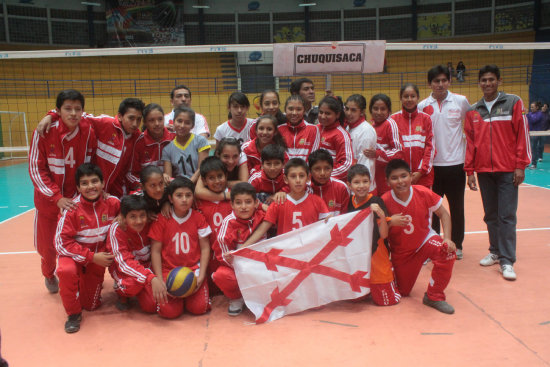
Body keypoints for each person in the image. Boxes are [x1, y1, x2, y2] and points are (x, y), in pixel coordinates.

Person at [464, 64, 531, 281]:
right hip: (484, 171)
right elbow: (470, 143)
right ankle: (495, 251)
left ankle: (507, 260)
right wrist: (470, 170)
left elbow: (522, 134)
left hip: (507, 171)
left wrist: (520, 165)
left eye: (491, 79)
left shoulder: (513, 102)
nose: (488, 83)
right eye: (484, 80)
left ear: (499, 81)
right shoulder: (473, 110)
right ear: (479, 83)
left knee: (507, 216)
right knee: (491, 215)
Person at [29, 89, 96, 293]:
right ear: (58, 110)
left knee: (79, 244)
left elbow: (89, 165)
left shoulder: (88, 131)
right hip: (49, 203)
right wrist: (56, 197)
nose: (73, 113)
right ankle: (49, 274)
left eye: (78, 109)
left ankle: (80, 280)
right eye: (68, 109)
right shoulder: (44, 132)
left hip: (76, 201)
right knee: (47, 249)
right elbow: (36, 169)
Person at [382, 159, 456, 314]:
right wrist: (390, 222)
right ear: (387, 182)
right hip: (402, 253)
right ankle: (392, 272)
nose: (400, 181)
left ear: (411, 176)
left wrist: (447, 238)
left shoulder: (422, 192)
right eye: (394, 178)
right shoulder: (385, 201)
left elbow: (444, 214)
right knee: (403, 292)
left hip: (424, 241)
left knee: (447, 251)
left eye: (404, 176)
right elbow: (378, 232)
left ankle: (434, 296)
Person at [55, 163, 121, 332]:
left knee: (91, 305)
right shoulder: (71, 209)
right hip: (77, 256)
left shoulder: (113, 203)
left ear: (103, 183)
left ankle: (83, 284)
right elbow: (61, 243)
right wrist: (91, 256)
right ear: (78, 187)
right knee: (66, 271)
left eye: (94, 181)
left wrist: (123, 217)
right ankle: (73, 314)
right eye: (84, 183)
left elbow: (135, 205)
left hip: (96, 261)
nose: (90, 186)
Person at [41, 98, 145, 198]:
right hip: (93, 191)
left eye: (139, 119)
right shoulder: (105, 123)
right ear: (120, 116)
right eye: (131, 118)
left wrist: (139, 184)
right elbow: (79, 115)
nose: (135, 124)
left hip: (116, 193)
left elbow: (129, 170)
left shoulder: (137, 138)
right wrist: (52, 115)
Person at [418, 65, 471, 260]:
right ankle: (433, 245)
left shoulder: (461, 102)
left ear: (449, 81)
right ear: (430, 83)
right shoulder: (422, 106)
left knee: (457, 208)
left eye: (443, 80)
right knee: (432, 210)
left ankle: (456, 245)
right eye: (436, 81)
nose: (440, 85)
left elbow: (471, 127)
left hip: (456, 165)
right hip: (432, 167)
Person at [148, 177, 212, 319]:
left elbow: (205, 248)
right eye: (179, 195)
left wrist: (201, 276)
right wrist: (159, 279)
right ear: (170, 199)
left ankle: (191, 297)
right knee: (169, 313)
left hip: (193, 270)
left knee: (199, 308)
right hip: (168, 272)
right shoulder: (161, 219)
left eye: (188, 195)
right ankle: (178, 299)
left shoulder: (198, 218)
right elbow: (156, 251)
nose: (184, 200)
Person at [346, 164, 400, 306]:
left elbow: (384, 234)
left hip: (376, 254)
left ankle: (390, 274)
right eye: (356, 182)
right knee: (354, 299)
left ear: (370, 182)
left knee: (386, 301)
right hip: (358, 256)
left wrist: (382, 216)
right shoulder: (349, 203)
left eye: (365, 181)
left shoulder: (376, 201)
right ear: (349, 185)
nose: (361, 186)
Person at [243, 158, 330, 243]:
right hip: (286, 254)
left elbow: (328, 225)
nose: (298, 180)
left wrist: (331, 219)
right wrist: (241, 249)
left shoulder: (318, 201)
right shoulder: (278, 202)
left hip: (309, 253)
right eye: (293, 176)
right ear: (285, 179)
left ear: (308, 178)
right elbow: (261, 230)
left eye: (302, 176)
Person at [212, 182, 266, 316]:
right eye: (238, 203)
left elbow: (277, 211)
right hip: (238, 268)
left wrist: (262, 206)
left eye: (248, 202)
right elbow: (222, 256)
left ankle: (260, 296)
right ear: (232, 205)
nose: (243, 207)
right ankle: (237, 298)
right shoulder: (227, 224)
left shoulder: (262, 215)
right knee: (221, 275)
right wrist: (233, 260)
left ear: (256, 203)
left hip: (262, 266)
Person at [107, 195, 159, 313]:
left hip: (148, 267)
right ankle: (122, 292)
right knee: (132, 285)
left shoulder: (152, 222)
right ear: (123, 217)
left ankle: (144, 287)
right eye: (133, 217)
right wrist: (150, 278)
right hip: (124, 270)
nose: (139, 221)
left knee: (151, 306)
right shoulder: (117, 229)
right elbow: (123, 262)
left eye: (142, 216)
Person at [391, 83, 435, 188]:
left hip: (423, 176)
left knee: (423, 204)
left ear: (418, 98)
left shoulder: (426, 119)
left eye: (413, 96)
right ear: (400, 98)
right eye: (406, 96)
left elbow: (430, 147)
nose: (409, 99)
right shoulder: (393, 120)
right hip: (400, 177)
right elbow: (393, 149)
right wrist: (403, 173)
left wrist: (421, 171)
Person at [127, 103, 175, 190]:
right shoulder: (138, 142)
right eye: (151, 120)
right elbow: (130, 174)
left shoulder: (174, 139)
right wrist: (145, 186)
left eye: (160, 119)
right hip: (146, 189)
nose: (157, 124)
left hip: (171, 188)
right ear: (145, 122)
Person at [365, 94, 404, 195]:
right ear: (370, 110)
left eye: (383, 109)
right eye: (375, 108)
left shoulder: (390, 124)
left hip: (387, 179)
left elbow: (399, 152)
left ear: (389, 111)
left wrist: (377, 154)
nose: (378, 112)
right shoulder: (370, 127)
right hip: (374, 177)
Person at [161, 106, 210, 183]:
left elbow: (202, 168)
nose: (182, 126)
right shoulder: (167, 149)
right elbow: (168, 177)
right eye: (179, 121)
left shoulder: (201, 141)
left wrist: (189, 183)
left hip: (199, 184)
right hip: (179, 187)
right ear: (173, 122)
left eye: (187, 123)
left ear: (192, 126)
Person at [317, 96, 355, 181]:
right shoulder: (315, 129)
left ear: (337, 114)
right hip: (314, 182)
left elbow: (347, 165)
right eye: (321, 112)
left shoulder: (341, 135)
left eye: (327, 113)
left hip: (332, 183)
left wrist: (323, 175)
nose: (323, 116)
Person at [345, 94, 377, 193]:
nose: (349, 113)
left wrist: (360, 187)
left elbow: (364, 163)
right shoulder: (348, 127)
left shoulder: (366, 130)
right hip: (353, 185)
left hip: (363, 189)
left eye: (353, 110)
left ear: (362, 112)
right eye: (347, 109)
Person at [308, 149, 350, 216]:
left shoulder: (342, 188)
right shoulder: (305, 189)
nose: (322, 173)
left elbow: (346, 218)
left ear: (332, 169)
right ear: (310, 170)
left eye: (327, 168)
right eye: (317, 169)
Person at [278, 95, 320, 161]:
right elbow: (278, 157)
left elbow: (314, 157)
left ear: (304, 111)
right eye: (290, 109)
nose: (294, 113)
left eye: (299, 109)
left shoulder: (313, 129)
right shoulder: (279, 130)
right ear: (285, 110)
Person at [526, 101, 546, 169]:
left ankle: (534, 164)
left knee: (533, 149)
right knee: (528, 149)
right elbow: (525, 119)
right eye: (530, 107)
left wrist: (527, 114)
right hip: (529, 133)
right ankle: (528, 162)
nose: (531, 108)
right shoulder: (530, 113)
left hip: (535, 133)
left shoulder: (540, 114)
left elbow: (534, 120)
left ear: (537, 107)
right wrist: (523, 113)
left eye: (532, 107)